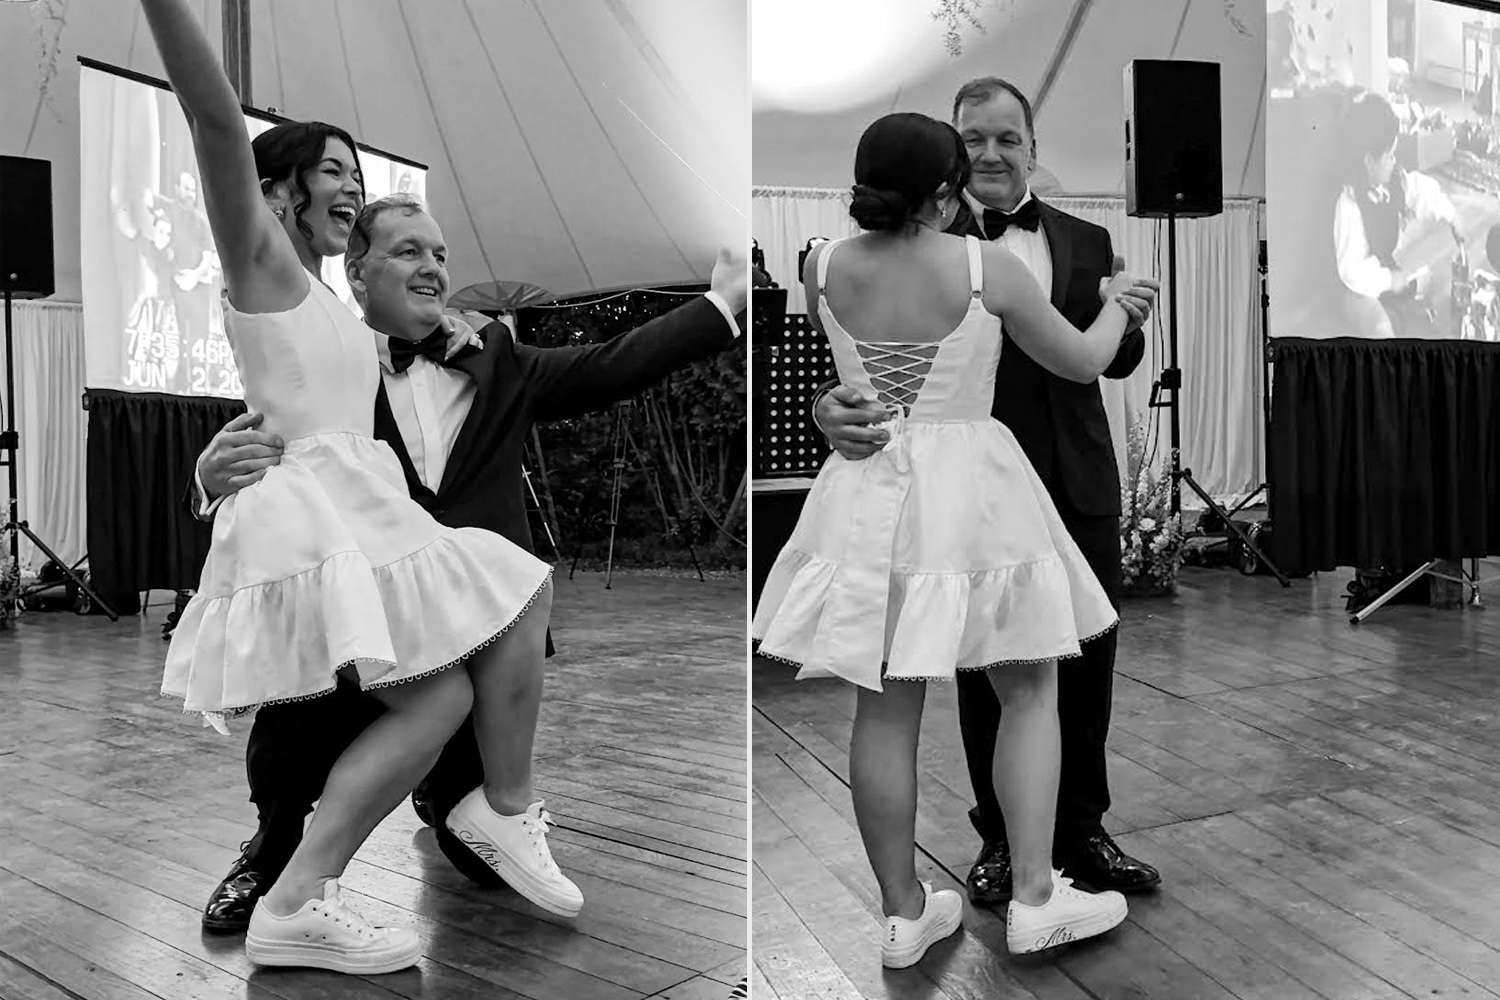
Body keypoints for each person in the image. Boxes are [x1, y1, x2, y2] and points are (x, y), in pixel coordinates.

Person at [191, 195, 746, 933]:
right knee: (291, 744)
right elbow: (261, 479)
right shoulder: (324, 367)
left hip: (474, 631)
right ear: (356, 273)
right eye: (409, 251)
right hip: (356, 614)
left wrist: (720, 306)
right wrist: (205, 480)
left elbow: (615, 365)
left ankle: (447, 798)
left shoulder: (501, 363)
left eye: (440, 253)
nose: (433, 267)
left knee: (482, 872)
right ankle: (269, 850)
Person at [142, 0, 563, 975]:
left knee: (460, 672)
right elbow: (213, 119)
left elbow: (348, 377)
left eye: (356, 175)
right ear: (279, 185)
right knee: (438, 678)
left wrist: (451, 330)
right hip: (313, 523)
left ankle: (440, 833)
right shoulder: (259, 254)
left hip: (355, 515)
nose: (351, 186)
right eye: (333, 170)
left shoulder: (333, 301)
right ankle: (302, 882)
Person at [753, 111, 1158, 963]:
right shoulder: (986, 266)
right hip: (972, 491)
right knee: (1031, 691)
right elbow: (1082, 360)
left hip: (872, 491)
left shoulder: (820, 264)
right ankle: (1038, 896)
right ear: (945, 192)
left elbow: (841, 377)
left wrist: (836, 405)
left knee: (884, 708)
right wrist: (1120, 309)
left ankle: (904, 913)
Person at [1333, 92, 1458, 339]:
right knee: (1380, 328)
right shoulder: (1349, 205)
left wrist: (1451, 215)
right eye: (1389, 155)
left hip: (1392, 273)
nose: (1394, 160)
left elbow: (1422, 191)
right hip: (1360, 289)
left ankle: (1419, 317)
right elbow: (1352, 271)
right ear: (1369, 161)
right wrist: (1389, 280)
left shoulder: (1393, 180)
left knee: (1441, 277)